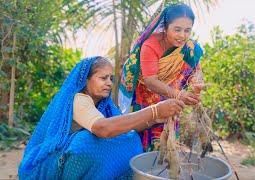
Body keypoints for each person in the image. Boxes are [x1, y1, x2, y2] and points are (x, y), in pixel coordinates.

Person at [18, 57, 185, 179]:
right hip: (53, 164)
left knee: (130, 136)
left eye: (111, 78)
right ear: (85, 80)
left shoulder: (105, 105)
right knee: (86, 141)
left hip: (73, 158)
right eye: (103, 78)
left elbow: (125, 127)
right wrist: (155, 110)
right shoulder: (78, 99)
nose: (110, 83)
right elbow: (103, 128)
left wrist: (158, 118)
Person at [118, 3, 204, 152]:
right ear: (165, 27)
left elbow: (197, 71)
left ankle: (166, 165)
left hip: (168, 96)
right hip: (144, 97)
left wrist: (197, 81)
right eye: (177, 29)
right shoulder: (150, 45)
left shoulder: (189, 48)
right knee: (142, 135)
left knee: (168, 136)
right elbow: (150, 81)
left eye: (187, 30)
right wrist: (178, 94)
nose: (182, 35)